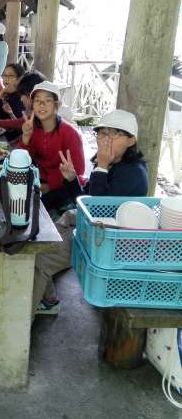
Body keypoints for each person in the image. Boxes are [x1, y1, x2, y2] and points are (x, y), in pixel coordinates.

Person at [32, 109, 148, 315]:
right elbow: (84, 201)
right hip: (89, 229)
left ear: (131, 141)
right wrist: (71, 179)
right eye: (102, 133)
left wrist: (101, 167)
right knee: (36, 247)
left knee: (38, 261)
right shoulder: (111, 163)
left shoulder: (133, 174)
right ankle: (48, 301)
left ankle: (22, 322)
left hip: (105, 242)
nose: (106, 140)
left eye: (115, 134)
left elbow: (96, 210)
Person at [18, 81, 85, 212]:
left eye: (47, 100)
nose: (41, 104)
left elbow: (78, 170)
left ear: (57, 105)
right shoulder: (32, 127)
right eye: (37, 101)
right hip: (40, 180)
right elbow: (21, 160)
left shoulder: (70, 133)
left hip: (64, 186)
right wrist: (26, 136)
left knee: (30, 207)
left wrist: (49, 186)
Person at [0, 63, 26, 141]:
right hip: (1, 134)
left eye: (10, 76)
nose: (6, 79)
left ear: (19, 79)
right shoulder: (8, 95)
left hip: (11, 139)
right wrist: (1, 94)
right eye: (4, 75)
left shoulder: (22, 99)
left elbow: (20, 128)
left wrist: (1, 94)